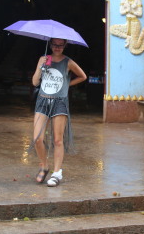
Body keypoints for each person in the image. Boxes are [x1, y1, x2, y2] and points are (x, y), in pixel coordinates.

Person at [31, 38, 86, 187]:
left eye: (61, 45)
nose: (57, 47)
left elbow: (83, 76)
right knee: (37, 138)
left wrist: (67, 85)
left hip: (59, 103)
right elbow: (35, 82)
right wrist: (39, 66)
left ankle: (56, 173)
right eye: (54, 44)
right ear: (50, 44)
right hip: (42, 101)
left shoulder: (68, 62)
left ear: (65, 46)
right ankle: (44, 166)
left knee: (58, 140)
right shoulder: (43, 59)